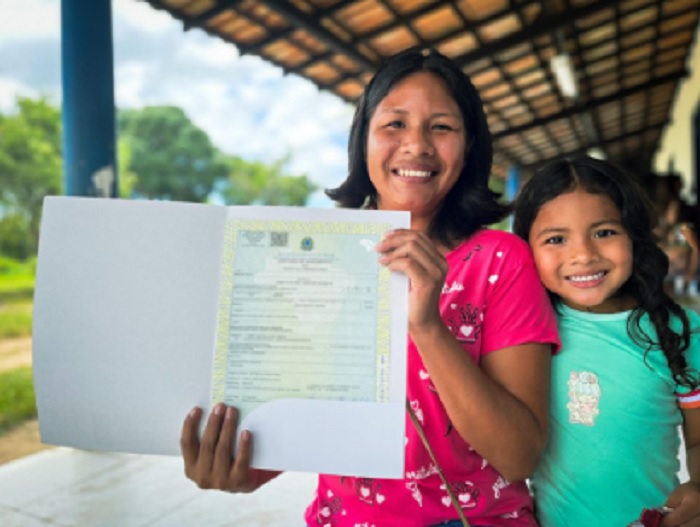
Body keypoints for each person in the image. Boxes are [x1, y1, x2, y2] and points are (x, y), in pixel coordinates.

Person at [180, 47, 560, 527]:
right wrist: (238, 467)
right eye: (394, 124)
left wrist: (427, 326)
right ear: (364, 140)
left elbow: (519, 453)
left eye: (441, 127)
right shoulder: (320, 255)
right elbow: (296, 422)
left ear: (468, 149)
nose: (416, 144)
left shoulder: (501, 262)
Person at [512, 155, 700, 527]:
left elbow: (696, 440)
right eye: (556, 239)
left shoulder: (678, 330)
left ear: (635, 235)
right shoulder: (524, 331)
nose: (583, 254)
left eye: (604, 232)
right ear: (526, 249)